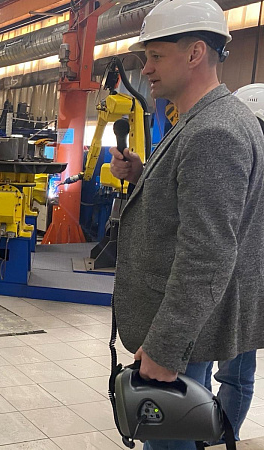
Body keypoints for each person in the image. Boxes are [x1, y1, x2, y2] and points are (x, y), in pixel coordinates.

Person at [110, 1, 264, 448]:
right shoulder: (202, 119)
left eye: (156, 56)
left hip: (184, 329)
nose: (146, 69)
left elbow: (206, 254)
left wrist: (165, 348)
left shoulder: (213, 131)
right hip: (190, 323)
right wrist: (143, 175)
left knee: (169, 440)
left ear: (195, 53)